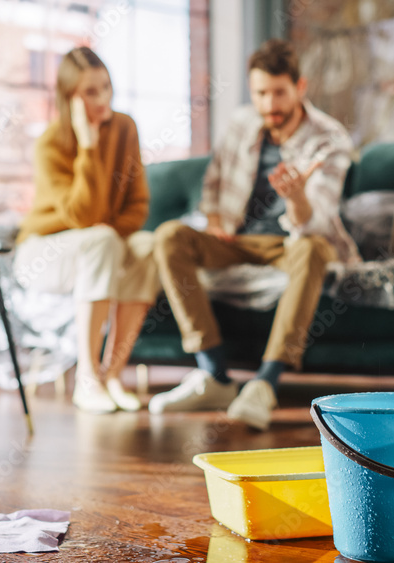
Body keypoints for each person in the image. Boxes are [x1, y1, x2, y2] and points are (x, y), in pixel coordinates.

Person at [148, 39, 359, 430]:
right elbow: (211, 185)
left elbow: (317, 219)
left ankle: (265, 383)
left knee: (314, 250)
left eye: (279, 93)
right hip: (237, 241)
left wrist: (296, 198)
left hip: (292, 243)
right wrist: (214, 221)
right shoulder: (242, 123)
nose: (269, 104)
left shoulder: (328, 139)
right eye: (261, 93)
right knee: (169, 236)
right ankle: (214, 375)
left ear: (300, 87)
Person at [13, 47, 158, 414]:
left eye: (106, 87)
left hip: (99, 243)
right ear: (69, 98)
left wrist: (106, 232)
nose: (103, 98)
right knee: (102, 240)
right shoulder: (50, 144)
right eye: (90, 92)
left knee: (147, 246)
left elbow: (138, 207)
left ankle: (112, 375)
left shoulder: (125, 128)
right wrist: (88, 146)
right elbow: (81, 214)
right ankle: (87, 379)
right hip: (41, 253)